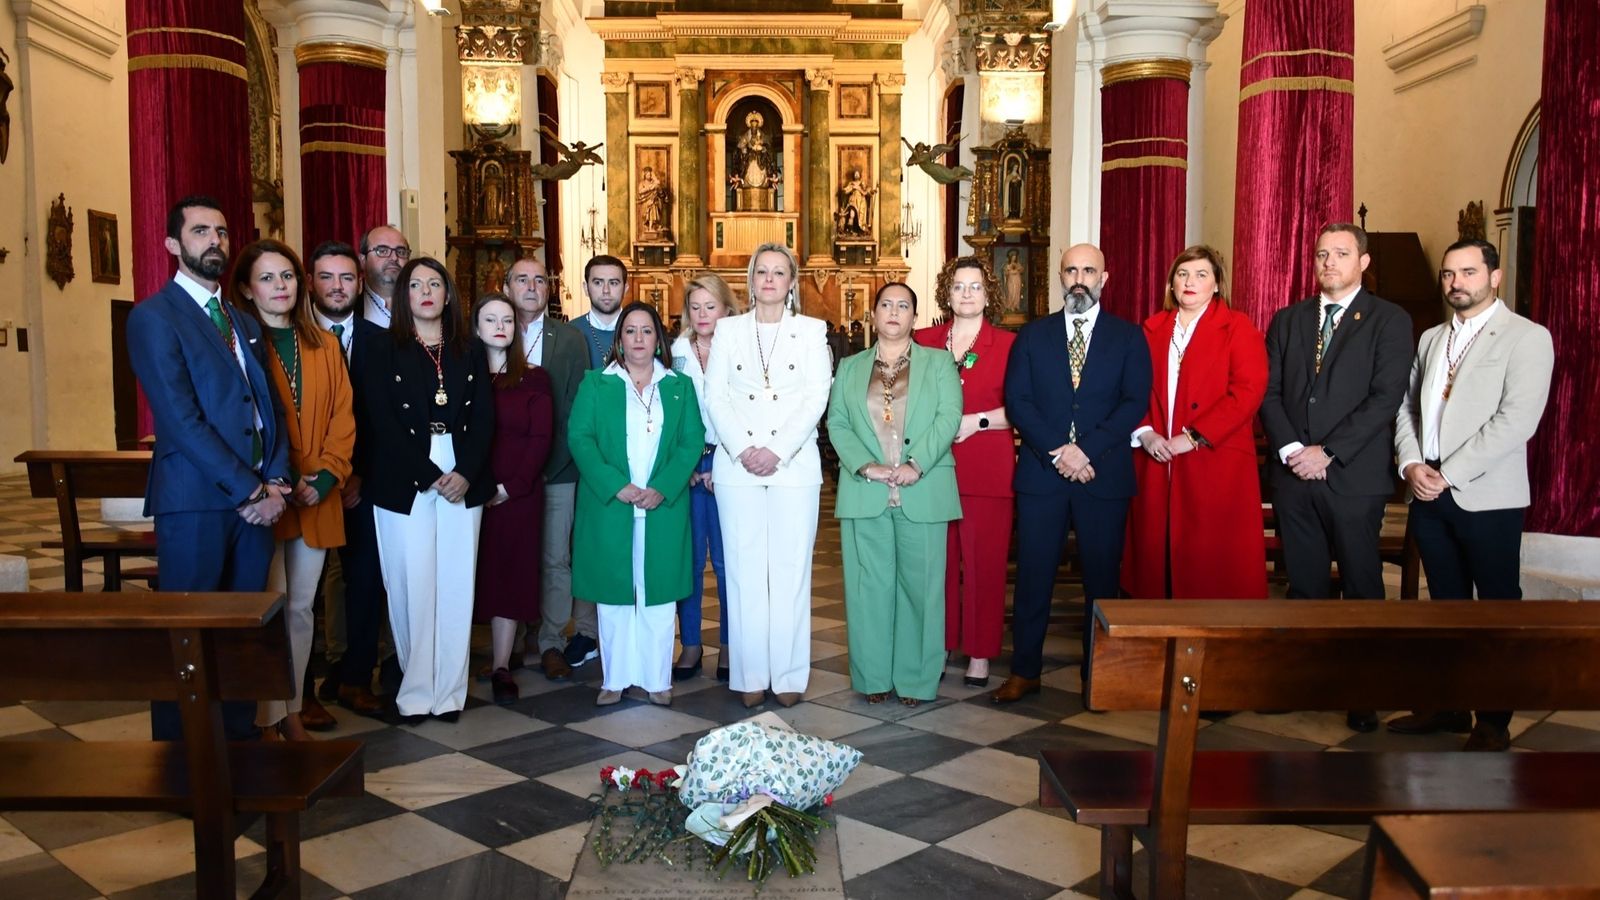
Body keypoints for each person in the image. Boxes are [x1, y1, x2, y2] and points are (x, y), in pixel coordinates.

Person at [127, 196, 291, 741]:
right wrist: (250, 491)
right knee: (188, 633)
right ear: (173, 244)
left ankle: (239, 749)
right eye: (200, 231)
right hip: (196, 501)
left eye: (221, 231)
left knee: (242, 633)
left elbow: (269, 407)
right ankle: (180, 758)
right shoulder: (154, 317)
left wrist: (278, 480)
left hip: (258, 501)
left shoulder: (242, 321)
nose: (214, 240)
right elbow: (179, 419)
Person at [1388, 239, 1554, 751]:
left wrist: (1450, 472)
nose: (1456, 282)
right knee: (1445, 606)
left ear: (1494, 277)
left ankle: (1494, 720)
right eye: (1448, 274)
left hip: (1489, 497)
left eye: (1468, 272)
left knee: (1496, 609)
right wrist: (1411, 463)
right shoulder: (1431, 338)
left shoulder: (1527, 337)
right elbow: (1407, 408)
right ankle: (1449, 704)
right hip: (1428, 491)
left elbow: (1517, 421)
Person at [1260, 223, 1411, 733]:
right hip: (1294, 475)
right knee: (1303, 586)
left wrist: (1328, 451)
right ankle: (1303, 682)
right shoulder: (1288, 319)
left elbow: (1385, 398)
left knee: (1361, 585)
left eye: (1341, 254)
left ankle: (1361, 690)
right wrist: (1291, 450)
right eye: (1322, 254)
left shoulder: (1389, 319)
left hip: (1353, 476)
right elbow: (1269, 391)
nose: (1329, 262)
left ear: (1363, 262)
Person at [994, 244, 1152, 704]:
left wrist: (1085, 451)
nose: (1079, 279)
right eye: (1071, 271)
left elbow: (1133, 402)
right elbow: (1018, 401)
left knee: (1101, 582)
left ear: (1104, 278)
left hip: (1102, 474)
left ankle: (1098, 676)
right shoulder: (1032, 336)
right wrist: (1059, 452)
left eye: (1089, 270)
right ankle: (1025, 671)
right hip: (1042, 476)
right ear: (1060, 277)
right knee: (1033, 577)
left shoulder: (1128, 337)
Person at [354, 256, 494, 723]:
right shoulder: (380, 348)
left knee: (456, 584)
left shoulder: (470, 349)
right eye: (416, 285)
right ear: (404, 295)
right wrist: (428, 473)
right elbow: (379, 421)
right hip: (404, 474)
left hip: (461, 469)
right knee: (411, 584)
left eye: (435, 284)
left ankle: (450, 693)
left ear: (448, 294)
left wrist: (466, 472)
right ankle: (415, 693)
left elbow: (484, 418)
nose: (426, 292)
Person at [229, 239, 355, 739]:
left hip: (315, 495)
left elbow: (343, 417)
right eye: (267, 278)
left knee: (301, 610)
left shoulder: (324, 344)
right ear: (246, 289)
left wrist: (324, 477)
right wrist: (277, 481)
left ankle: (293, 711)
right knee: (267, 607)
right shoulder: (238, 344)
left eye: (287, 276)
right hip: (265, 497)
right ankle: (264, 719)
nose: (280, 286)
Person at [704, 243, 832, 708]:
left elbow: (816, 396)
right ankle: (750, 674)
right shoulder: (728, 330)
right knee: (743, 572)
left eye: (780, 272)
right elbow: (715, 396)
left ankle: (789, 675)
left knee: (791, 571)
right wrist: (744, 448)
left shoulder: (812, 330)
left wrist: (777, 450)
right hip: (737, 466)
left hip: (792, 466)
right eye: (762, 272)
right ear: (751, 280)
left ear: (792, 282)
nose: (770, 280)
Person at [829, 282, 963, 706]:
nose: (893, 311)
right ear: (873, 315)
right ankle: (873, 678)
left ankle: (917, 679)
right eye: (885, 304)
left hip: (922, 487)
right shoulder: (850, 367)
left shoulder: (939, 363)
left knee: (921, 590)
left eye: (903, 305)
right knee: (868, 588)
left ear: (914, 317)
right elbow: (837, 422)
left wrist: (916, 463)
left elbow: (949, 416)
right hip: (865, 489)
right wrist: (864, 465)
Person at [570, 302, 706, 706]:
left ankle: (657, 678)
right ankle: (615, 678)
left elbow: (691, 441)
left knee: (658, 593)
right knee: (613, 592)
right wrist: (616, 485)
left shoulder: (679, 386)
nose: (639, 339)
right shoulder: (597, 383)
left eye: (647, 331)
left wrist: (662, 487)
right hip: (611, 505)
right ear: (619, 340)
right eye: (630, 331)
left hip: (662, 506)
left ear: (658, 339)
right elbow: (580, 438)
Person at [1124, 246, 1269, 601]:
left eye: (1201, 275)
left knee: (1211, 563)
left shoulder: (1238, 328)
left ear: (1216, 284)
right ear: (1172, 284)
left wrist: (1193, 437)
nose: (1190, 282)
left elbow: (1247, 392)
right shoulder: (1150, 329)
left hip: (1215, 459)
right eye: (1182, 274)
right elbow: (1129, 388)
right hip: (1156, 456)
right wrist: (1145, 432)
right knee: (1155, 556)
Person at [914, 256, 1016, 687]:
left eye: (975, 286)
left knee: (983, 564)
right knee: (934, 563)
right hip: (932, 467)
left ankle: (979, 652)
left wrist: (979, 421)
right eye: (958, 286)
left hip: (987, 467)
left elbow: (1026, 408)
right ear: (947, 293)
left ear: (988, 294)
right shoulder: (923, 340)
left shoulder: (1009, 345)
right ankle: (938, 644)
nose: (967, 294)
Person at [308, 240, 389, 716]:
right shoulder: (291, 337)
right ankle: (299, 690)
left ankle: (356, 678)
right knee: (304, 589)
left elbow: (389, 420)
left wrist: (358, 474)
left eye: (345, 278)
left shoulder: (383, 341)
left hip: (364, 484)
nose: (337, 287)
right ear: (311, 282)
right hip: (306, 481)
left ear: (359, 283)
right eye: (326, 277)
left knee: (365, 581)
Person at [503, 258, 591, 681]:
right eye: (522, 279)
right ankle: (510, 641)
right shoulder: (491, 329)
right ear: (507, 287)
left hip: (557, 469)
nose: (532, 286)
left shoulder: (569, 338)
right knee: (511, 555)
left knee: (556, 558)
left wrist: (548, 464)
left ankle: (551, 641)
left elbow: (576, 406)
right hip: (505, 473)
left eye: (540, 280)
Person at [471, 293, 554, 705]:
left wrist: (510, 487)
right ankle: (451, 663)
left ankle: (502, 664)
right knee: (468, 574)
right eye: (490, 319)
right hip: (466, 492)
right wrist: (476, 486)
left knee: (508, 575)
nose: (500, 326)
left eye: (507, 319)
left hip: (517, 494)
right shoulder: (462, 376)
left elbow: (541, 437)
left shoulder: (534, 378)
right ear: (475, 327)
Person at [669, 273, 735, 681]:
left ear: (727, 309)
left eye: (711, 306)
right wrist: (688, 465)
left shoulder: (741, 347)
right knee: (689, 561)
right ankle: (691, 643)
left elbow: (748, 411)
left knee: (728, 563)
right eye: (695, 307)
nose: (703, 314)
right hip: (690, 466)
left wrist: (723, 462)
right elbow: (671, 412)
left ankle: (730, 644)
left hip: (730, 460)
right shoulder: (676, 351)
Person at [571, 255, 628, 371]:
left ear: (625, 289)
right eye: (598, 283)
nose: (606, 290)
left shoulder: (642, 333)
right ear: (586, 288)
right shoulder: (569, 332)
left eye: (613, 283)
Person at [358, 224, 410, 328]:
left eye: (400, 252)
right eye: (382, 251)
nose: (394, 258)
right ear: (363, 260)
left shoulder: (422, 301)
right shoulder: (349, 306)